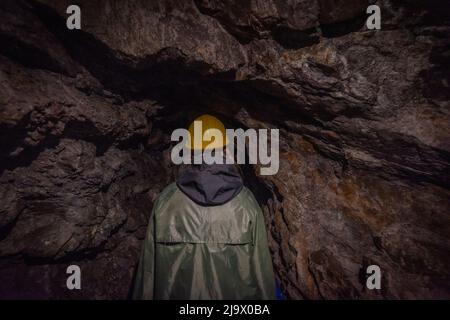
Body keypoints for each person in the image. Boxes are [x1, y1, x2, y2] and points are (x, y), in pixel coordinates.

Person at [132, 114, 276, 299]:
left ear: (190, 151)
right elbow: (262, 278)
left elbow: (147, 275)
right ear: (225, 149)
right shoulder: (246, 204)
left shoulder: (166, 202)